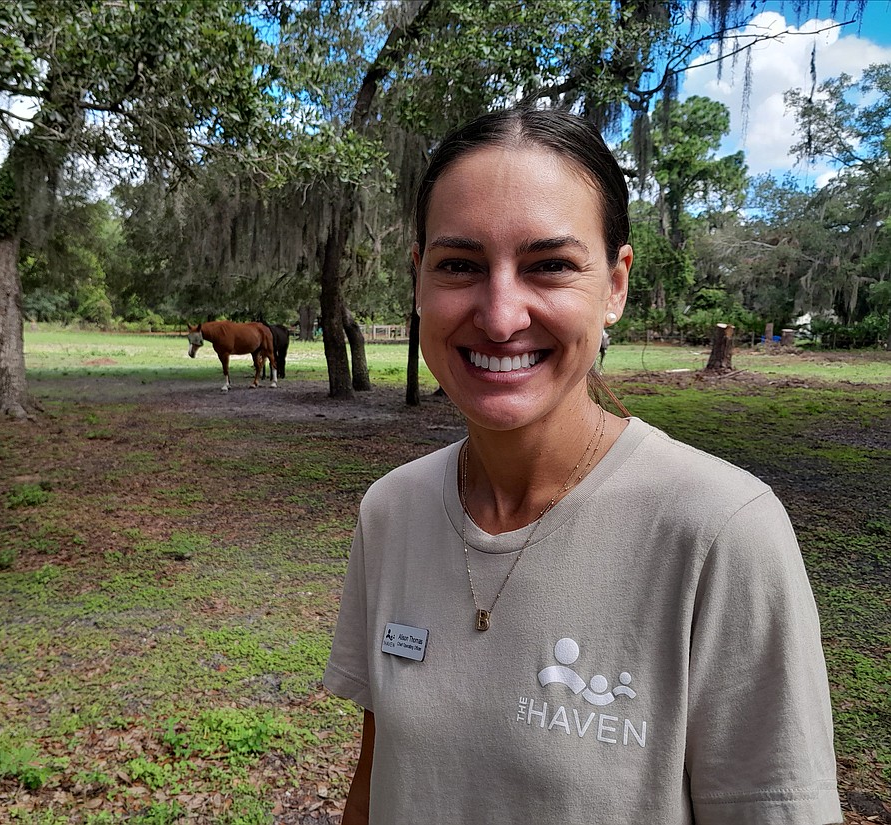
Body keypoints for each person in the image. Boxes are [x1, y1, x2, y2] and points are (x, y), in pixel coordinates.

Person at [323, 105, 840, 825]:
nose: (500, 315)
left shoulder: (722, 533)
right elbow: (381, 777)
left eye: (551, 265)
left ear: (616, 286)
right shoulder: (391, 510)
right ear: (419, 281)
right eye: (460, 265)